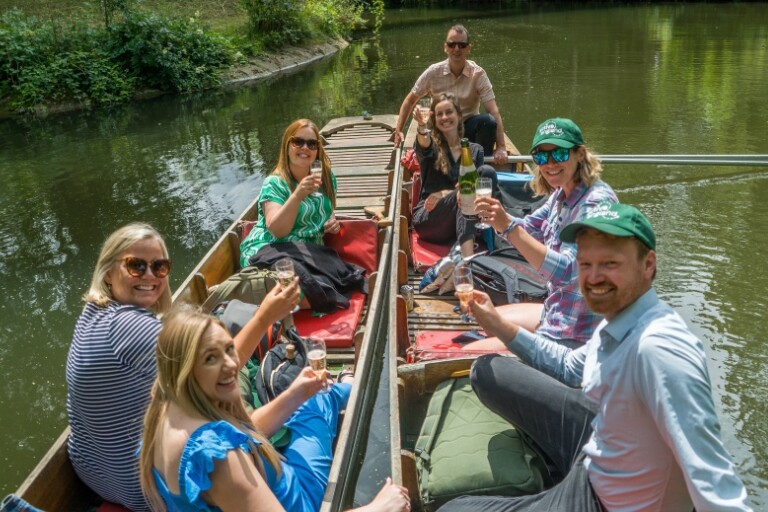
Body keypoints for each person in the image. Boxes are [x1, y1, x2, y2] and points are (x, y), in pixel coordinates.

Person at [441, 203, 752, 512]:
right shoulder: (618, 319)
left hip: (599, 501)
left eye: (610, 263)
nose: (593, 277)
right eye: (585, 264)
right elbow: (567, 366)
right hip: (597, 449)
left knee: (452, 509)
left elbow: (715, 485)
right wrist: (494, 321)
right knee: (486, 371)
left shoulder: (660, 349)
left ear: (649, 265)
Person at [66, 222, 299, 511]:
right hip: (140, 488)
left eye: (159, 267)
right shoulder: (132, 327)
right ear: (108, 273)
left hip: (92, 473)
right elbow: (223, 369)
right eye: (136, 266)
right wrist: (265, 317)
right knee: (243, 395)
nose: (150, 276)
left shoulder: (94, 313)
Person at [139, 308, 410, 512]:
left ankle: (338, 389)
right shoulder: (217, 457)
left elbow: (245, 432)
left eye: (229, 349)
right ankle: (349, 386)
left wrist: (295, 393)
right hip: (300, 497)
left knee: (308, 397)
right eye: (211, 358)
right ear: (184, 370)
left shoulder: (163, 413)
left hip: (276, 475)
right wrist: (378, 508)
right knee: (319, 402)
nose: (232, 365)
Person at [463, 117, 617, 352]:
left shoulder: (595, 204)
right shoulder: (561, 193)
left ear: (580, 154)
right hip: (558, 310)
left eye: (560, 154)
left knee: (466, 351)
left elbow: (568, 271)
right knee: (482, 319)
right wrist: (496, 215)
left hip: (576, 334)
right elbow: (528, 227)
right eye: (542, 156)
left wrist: (509, 227)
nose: (550, 163)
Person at [240, 119, 366, 313]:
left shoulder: (326, 178)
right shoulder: (274, 183)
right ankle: (250, 293)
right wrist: (297, 195)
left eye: (312, 144)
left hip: (309, 252)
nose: (305, 148)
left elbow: (327, 210)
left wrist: (331, 221)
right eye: (298, 141)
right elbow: (277, 230)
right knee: (301, 292)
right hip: (270, 250)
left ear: (317, 150)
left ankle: (265, 299)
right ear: (287, 146)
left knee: (333, 284)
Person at [393, 24, 508, 166]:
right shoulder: (433, 72)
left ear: (469, 48)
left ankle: (481, 169)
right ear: (445, 47)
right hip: (441, 129)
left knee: (488, 122)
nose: (457, 49)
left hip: (467, 130)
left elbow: (494, 111)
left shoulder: (478, 74)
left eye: (462, 44)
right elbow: (410, 100)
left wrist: (502, 147)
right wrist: (398, 130)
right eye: (452, 44)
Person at [412, 92, 498, 257]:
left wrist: (446, 193)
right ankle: (468, 261)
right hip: (430, 219)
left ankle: (488, 240)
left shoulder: (474, 150)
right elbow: (424, 143)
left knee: (485, 174)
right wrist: (422, 127)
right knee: (465, 192)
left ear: (459, 115)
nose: (445, 117)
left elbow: (476, 188)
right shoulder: (432, 146)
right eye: (439, 114)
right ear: (435, 119)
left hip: (462, 219)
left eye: (449, 112)